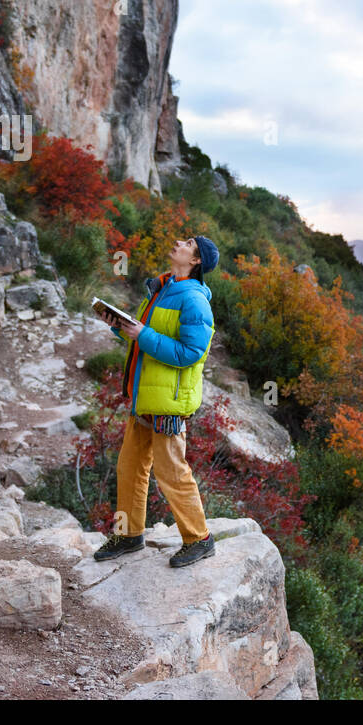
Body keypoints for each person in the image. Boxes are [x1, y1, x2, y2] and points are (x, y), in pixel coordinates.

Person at [92, 235, 221, 568]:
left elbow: (191, 354)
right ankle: (129, 534)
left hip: (168, 403)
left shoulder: (195, 301)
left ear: (196, 260)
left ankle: (200, 539)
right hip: (144, 396)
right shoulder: (162, 288)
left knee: (171, 473)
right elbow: (141, 335)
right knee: (130, 467)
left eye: (188, 242)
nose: (178, 242)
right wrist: (120, 327)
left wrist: (142, 335)